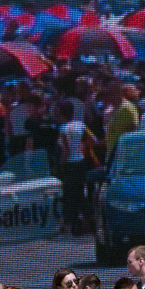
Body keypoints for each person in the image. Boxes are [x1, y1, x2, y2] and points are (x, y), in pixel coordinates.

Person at [56, 100, 97, 234]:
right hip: (82, 161)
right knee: (81, 192)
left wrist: (60, 164)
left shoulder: (63, 129)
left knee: (70, 194)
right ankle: (88, 220)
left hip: (70, 163)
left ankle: (72, 223)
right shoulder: (80, 125)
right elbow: (93, 139)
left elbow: (65, 150)